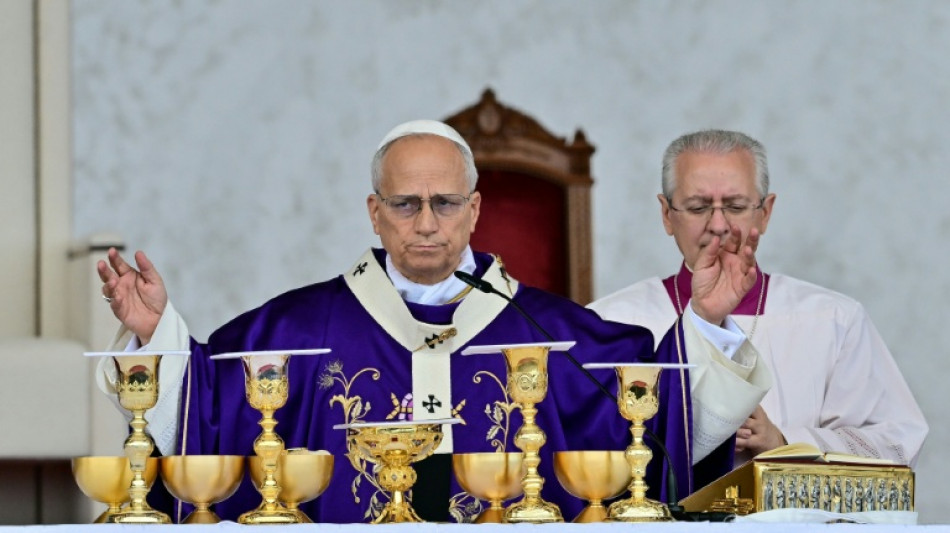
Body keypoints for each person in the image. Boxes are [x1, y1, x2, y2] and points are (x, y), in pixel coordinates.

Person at [96, 120, 769, 523]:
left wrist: (705, 319)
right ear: (374, 210)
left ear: (475, 210)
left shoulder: (551, 336)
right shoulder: (298, 329)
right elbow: (208, 412)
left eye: (445, 203)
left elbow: (651, 423)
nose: (425, 223)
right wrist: (158, 333)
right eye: (406, 202)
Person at [589, 129, 928, 469]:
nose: (719, 225)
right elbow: (585, 445)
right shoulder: (610, 321)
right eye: (698, 207)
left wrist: (783, 441)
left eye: (735, 206)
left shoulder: (834, 319)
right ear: (667, 214)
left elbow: (896, 444)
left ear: (765, 213)